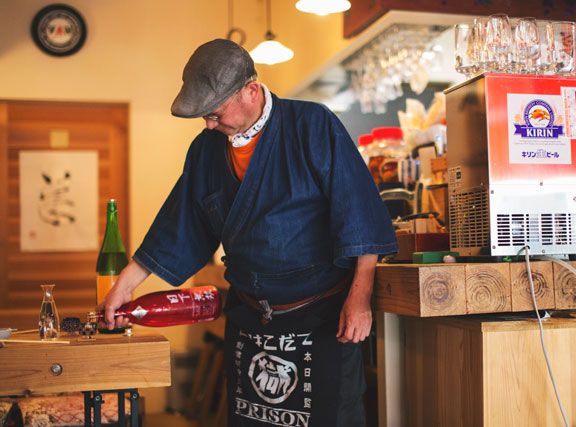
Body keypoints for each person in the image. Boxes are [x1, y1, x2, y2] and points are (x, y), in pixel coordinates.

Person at [100, 39, 397, 426]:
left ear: (250, 91)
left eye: (214, 113)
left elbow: (357, 210)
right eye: (203, 116)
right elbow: (178, 223)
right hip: (251, 320)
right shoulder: (206, 150)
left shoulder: (311, 124)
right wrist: (125, 285)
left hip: (321, 319)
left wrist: (360, 296)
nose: (208, 124)